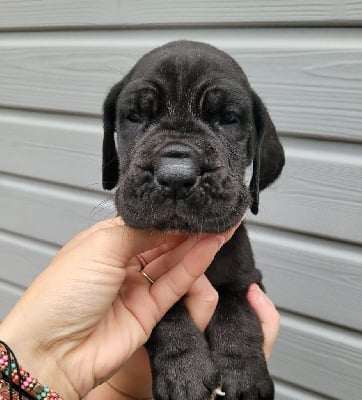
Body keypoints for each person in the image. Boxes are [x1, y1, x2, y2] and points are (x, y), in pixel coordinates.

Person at [0, 218, 279, 400]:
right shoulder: (114, 255)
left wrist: (237, 352)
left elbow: (240, 290)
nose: (177, 169)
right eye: (136, 121)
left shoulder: (230, 249)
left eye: (227, 121)